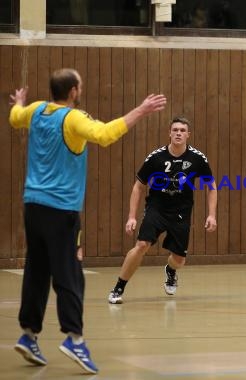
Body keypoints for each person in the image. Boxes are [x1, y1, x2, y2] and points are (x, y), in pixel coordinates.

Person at [9, 68, 167, 374]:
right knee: (69, 274)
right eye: (80, 86)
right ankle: (74, 338)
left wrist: (18, 102)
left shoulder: (36, 110)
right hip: (61, 209)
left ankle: (29, 334)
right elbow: (105, 135)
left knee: (37, 270)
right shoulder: (73, 119)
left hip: (32, 206)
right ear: (73, 92)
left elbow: (15, 117)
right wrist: (142, 109)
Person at [108, 116, 217, 304]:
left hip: (181, 211)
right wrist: (131, 217)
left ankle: (171, 270)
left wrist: (212, 215)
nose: (178, 133)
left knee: (179, 260)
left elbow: (211, 186)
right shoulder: (156, 157)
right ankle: (118, 287)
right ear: (169, 133)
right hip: (156, 208)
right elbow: (138, 186)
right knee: (142, 244)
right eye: (175, 130)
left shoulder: (197, 158)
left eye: (182, 130)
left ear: (188, 135)